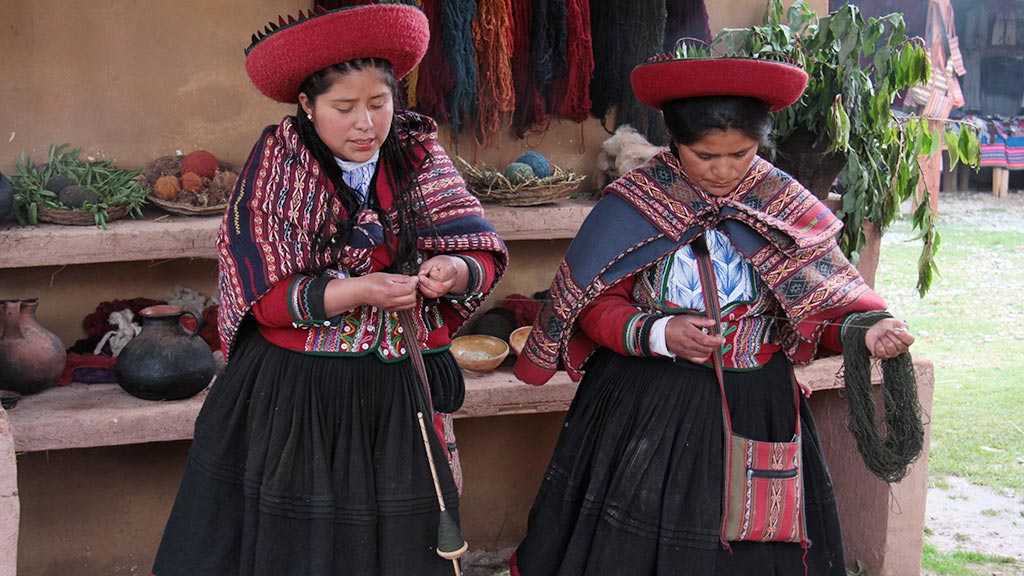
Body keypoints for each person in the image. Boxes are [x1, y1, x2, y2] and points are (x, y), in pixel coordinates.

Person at [510, 54, 915, 576]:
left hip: (759, 406)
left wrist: (869, 329)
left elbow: (826, 303)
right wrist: (658, 331)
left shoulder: (781, 204)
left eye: (740, 154)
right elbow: (591, 305)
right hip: (645, 408)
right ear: (675, 144)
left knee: (755, 543)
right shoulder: (635, 203)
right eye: (705, 156)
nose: (723, 170)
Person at [151, 5, 508, 576]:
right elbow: (264, 294)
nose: (366, 123)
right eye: (344, 108)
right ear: (307, 106)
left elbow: (478, 249)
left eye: (379, 103)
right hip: (299, 395)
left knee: (396, 540)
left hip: (397, 390)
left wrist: (455, 271)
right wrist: (361, 290)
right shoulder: (280, 166)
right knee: (303, 541)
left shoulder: (418, 155)